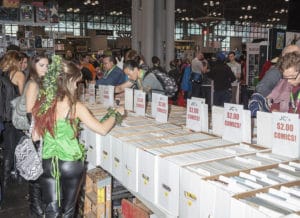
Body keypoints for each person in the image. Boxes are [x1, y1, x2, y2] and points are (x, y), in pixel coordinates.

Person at [31, 56, 124, 217]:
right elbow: (101, 129)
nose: (76, 86)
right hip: (70, 163)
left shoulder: (44, 103)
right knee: (68, 210)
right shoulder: (75, 107)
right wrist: (116, 114)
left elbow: (35, 136)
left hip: (48, 162)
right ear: (67, 82)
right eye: (75, 82)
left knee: (51, 209)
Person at [26, 54, 49, 217]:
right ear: (34, 66)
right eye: (42, 65)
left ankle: (38, 203)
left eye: (47, 65)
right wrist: (35, 133)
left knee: (40, 169)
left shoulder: (41, 82)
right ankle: (35, 206)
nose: (45, 69)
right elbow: (29, 111)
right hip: (37, 129)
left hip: (43, 128)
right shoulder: (33, 84)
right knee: (36, 170)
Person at [0, 50, 26, 190]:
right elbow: (23, 99)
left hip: (3, 117)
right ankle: (14, 178)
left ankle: (5, 181)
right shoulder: (18, 75)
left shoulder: (2, 73)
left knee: (7, 149)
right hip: (15, 117)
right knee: (18, 147)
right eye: (21, 61)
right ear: (16, 61)